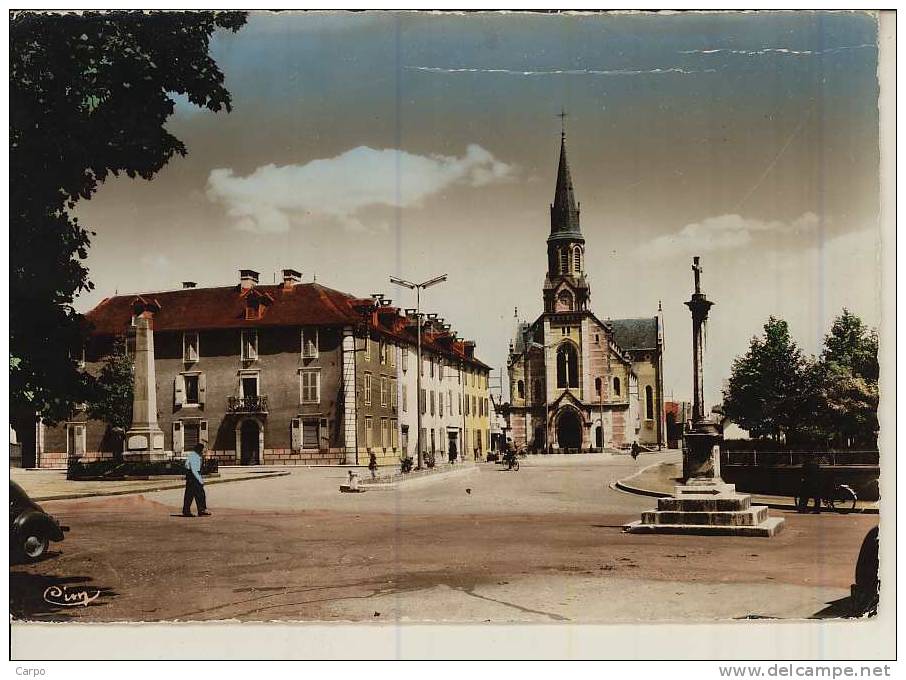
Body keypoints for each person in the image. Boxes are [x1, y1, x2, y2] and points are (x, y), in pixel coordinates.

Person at [182, 442, 210, 517]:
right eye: (203, 450)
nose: (204, 452)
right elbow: (195, 470)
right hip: (194, 477)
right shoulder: (195, 457)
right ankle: (201, 510)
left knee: (189, 495)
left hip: (190, 477)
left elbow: (186, 465)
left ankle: (186, 510)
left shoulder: (193, 455)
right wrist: (200, 480)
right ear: (199, 450)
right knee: (200, 494)